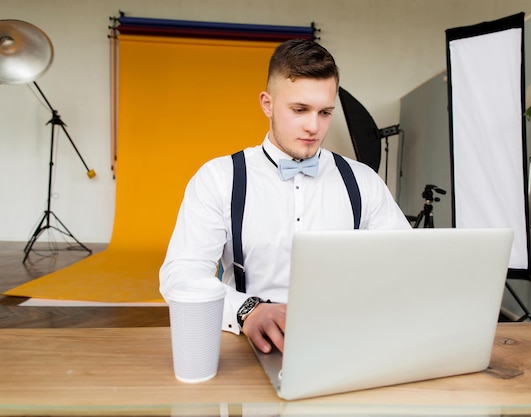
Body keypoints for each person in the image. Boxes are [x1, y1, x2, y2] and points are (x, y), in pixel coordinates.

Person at [159, 38, 410, 354]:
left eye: (325, 112)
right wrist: (247, 309)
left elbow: (405, 267)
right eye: (299, 109)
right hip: (248, 347)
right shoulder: (219, 178)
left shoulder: (363, 182)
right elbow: (180, 276)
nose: (313, 126)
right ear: (267, 104)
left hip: (347, 344)